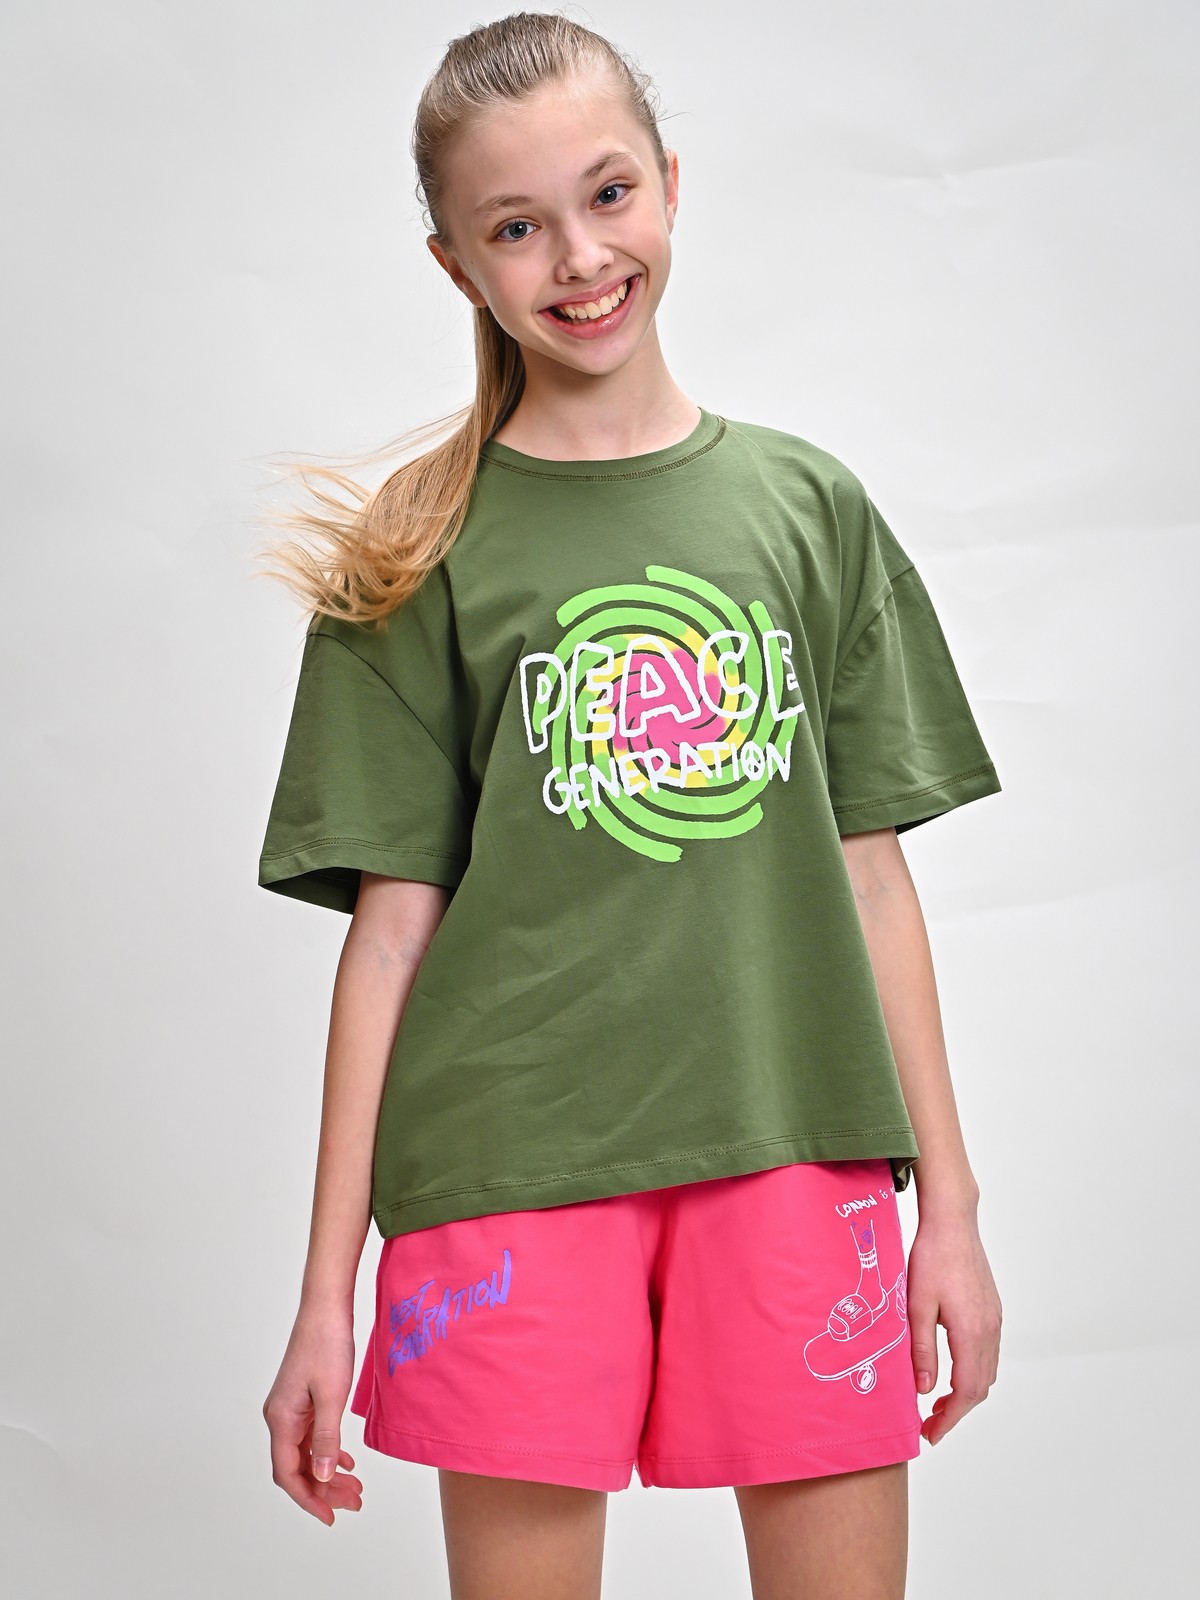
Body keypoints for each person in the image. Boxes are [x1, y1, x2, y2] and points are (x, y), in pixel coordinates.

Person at [254, 10, 1003, 1597]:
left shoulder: (807, 509)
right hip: (506, 1168)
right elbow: (389, 939)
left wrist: (951, 1206)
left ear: (670, 183)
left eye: (607, 195)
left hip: (796, 1144)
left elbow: (871, 878)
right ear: (456, 263)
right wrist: (326, 1296)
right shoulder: (421, 547)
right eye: (516, 226)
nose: (580, 257)